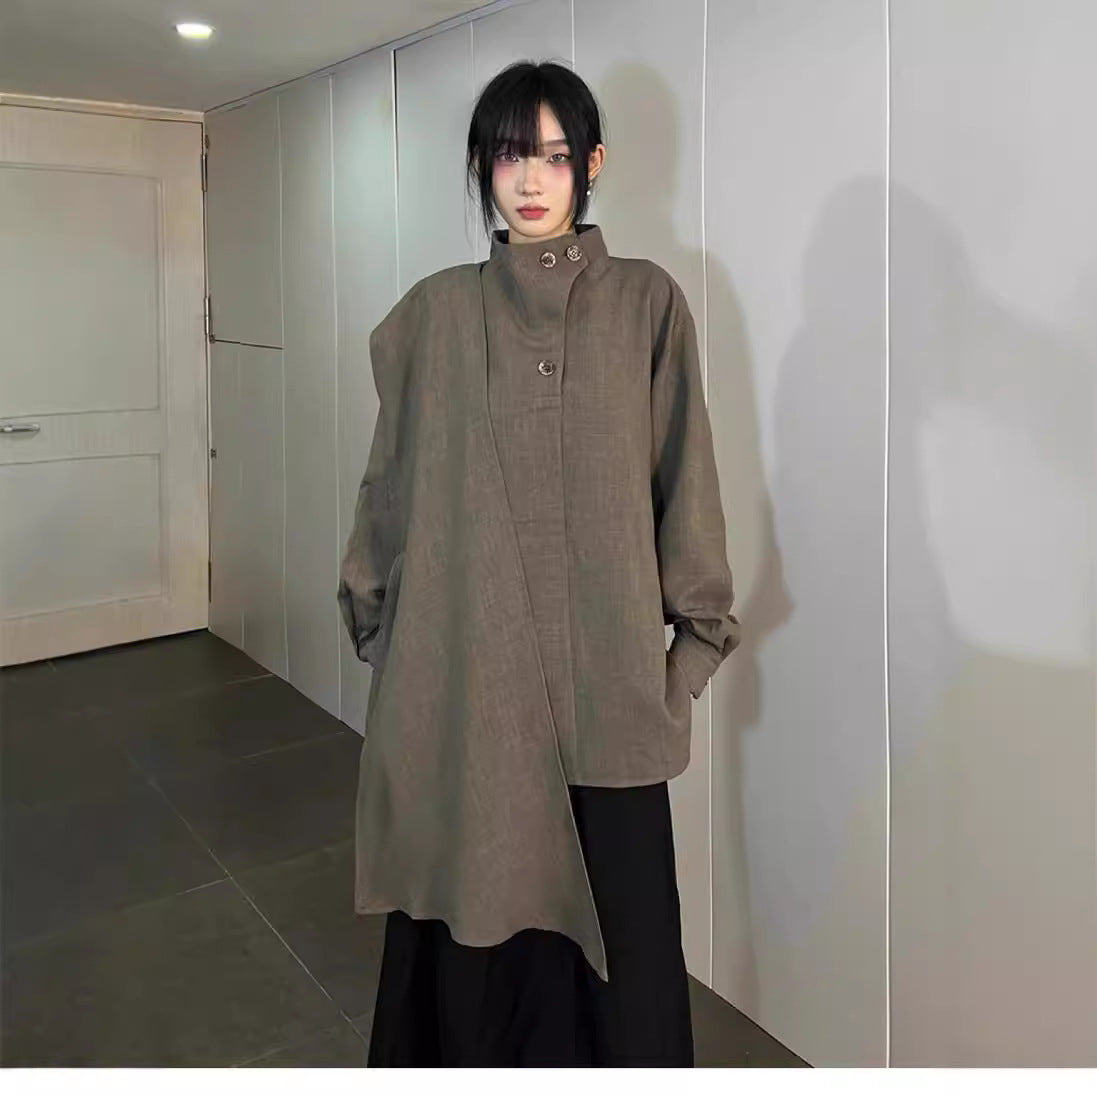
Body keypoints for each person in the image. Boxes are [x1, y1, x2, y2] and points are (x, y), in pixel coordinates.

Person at [338, 59, 739, 1068]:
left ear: (591, 165)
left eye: (555, 156)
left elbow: (685, 483)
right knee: (478, 960)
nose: (530, 179)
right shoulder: (433, 315)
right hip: (469, 703)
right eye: (512, 153)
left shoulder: (645, 305)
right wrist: (389, 639)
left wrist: (682, 663)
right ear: (483, 165)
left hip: (609, 707)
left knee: (623, 978)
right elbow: (390, 489)